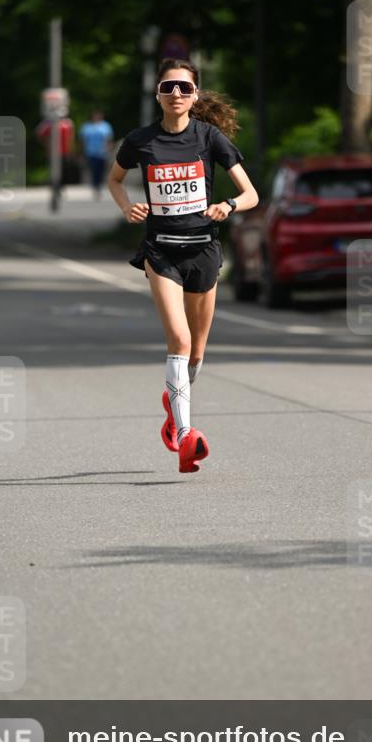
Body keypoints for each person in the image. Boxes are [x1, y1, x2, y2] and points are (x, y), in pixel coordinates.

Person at [107, 58, 258, 474]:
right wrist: (126, 207)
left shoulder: (209, 138)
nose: (176, 94)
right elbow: (115, 179)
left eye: (185, 89)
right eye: (169, 87)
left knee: (196, 353)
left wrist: (227, 205)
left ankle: (174, 406)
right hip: (161, 251)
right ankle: (186, 437)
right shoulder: (140, 141)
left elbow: (251, 195)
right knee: (179, 340)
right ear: (157, 93)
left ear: (195, 96)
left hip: (203, 251)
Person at [79, 109, 114, 199]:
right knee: (94, 170)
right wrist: (82, 151)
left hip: (102, 152)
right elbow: (83, 140)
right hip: (91, 152)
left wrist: (109, 149)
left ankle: (99, 185)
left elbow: (109, 139)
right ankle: (95, 187)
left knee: (101, 170)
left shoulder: (106, 126)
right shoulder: (87, 127)